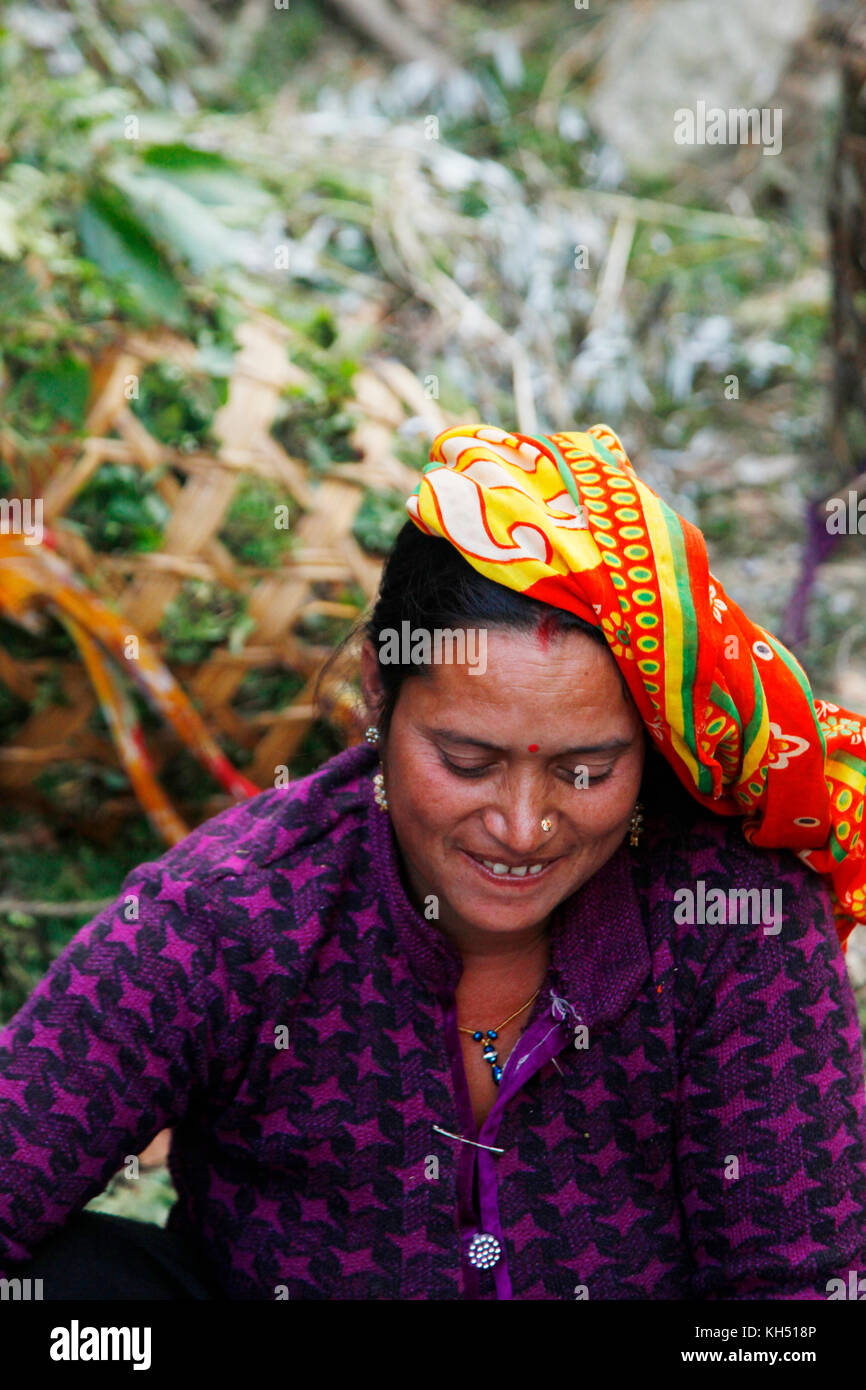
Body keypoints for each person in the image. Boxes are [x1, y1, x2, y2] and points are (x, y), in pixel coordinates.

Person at [1, 421, 866, 1301]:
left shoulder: (731, 915)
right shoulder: (234, 915)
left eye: (587, 770)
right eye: (467, 762)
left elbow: (797, 1293)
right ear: (380, 688)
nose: (524, 828)